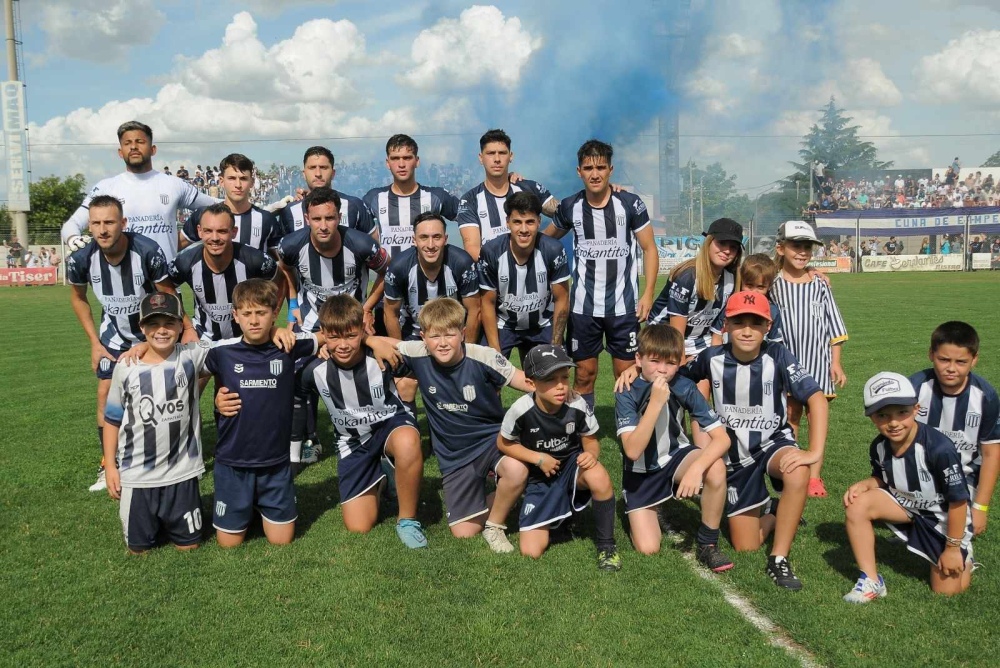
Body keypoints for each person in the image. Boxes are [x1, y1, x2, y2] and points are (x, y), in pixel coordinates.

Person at [680, 291, 828, 590]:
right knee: (746, 545)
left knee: (796, 471)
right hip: (734, 456)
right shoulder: (712, 358)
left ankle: (779, 559)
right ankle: (775, 509)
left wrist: (813, 453)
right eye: (739, 322)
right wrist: (637, 369)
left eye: (756, 323)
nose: (747, 330)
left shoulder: (778, 356)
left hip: (773, 443)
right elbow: (678, 376)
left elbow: (817, 399)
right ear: (726, 325)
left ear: (768, 326)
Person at [387, 297, 532, 552]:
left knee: (516, 469)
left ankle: (496, 525)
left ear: (463, 334)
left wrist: (558, 389)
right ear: (423, 337)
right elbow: (384, 344)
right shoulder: (418, 354)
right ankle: (510, 497)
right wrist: (367, 339)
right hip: (455, 456)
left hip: (491, 442)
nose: (442, 343)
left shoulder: (483, 356)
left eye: (450, 335)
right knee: (463, 532)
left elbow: (523, 380)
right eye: (434, 336)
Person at [66, 195, 189, 492]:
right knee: (106, 391)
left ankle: (175, 456)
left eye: (109, 222)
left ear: (123, 223)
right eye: (95, 223)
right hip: (113, 337)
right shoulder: (81, 259)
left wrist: (182, 330)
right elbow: (78, 298)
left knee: (164, 392)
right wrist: (95, 342)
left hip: (154, 334)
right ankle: (109, 463)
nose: (102, 229)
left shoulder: (147, 251)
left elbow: (170, 295)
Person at [296, 295, 427, 547]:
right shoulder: (314, 371)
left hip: (390, 424)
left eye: (351, 336)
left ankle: (407, 520)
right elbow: (287, 392)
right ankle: (384, 479)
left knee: (409, 442)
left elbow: (422, 360)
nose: (343, 345)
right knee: (359, 527)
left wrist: (372, 339)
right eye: (334, 337)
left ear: (361, 331)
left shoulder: (381, 356)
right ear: (323, 334)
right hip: (352, 441)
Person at [277, 187, 390, 464]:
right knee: (296, 375)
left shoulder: (361, 244)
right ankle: (308, 440)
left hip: (351, 324)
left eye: (329, 218)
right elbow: (285, 268)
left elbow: (389, 270)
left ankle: (374, 435)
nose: (323, 225)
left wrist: (366, 308)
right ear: (307, 219)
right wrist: (292, 304)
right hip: (312, 322)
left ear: (339, 217)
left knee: (365, 374)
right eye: (317, 219)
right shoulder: (291, 245)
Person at [544, 139, 659, 409]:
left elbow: (649, 248)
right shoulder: (571, 207)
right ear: (579, 172)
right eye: (588, 168)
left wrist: (648, 294)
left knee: (626, 373)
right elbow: (545, 242)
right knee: (584, 375)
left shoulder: (630, 204)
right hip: (584, 310)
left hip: (624, 309)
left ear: (610, 170)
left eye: (600, 167)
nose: (594, 174)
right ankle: (584, 432)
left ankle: (629, 433)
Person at [843, 372, 973, 602]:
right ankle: (871, 579)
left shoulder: (940, 449)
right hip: (906, 507)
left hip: (941, 518)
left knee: (948, 590)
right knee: (858, 505)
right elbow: (883, 477)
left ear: (916, 409)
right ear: (872, 417)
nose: (893, 423)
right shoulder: (879, 447)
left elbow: (958, 501)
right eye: (883, 415)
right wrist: (867, 483)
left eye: (902, 413)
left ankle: (965, 555)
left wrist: (953, 549)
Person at [614, 325, 733, 571]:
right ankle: (647, 503)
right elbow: (633, 451)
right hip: (640, 471)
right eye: (654, 361)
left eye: (670, 363)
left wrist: (696, 468)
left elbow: (722, 439)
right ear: (639, 359)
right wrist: (656, 402)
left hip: (676, 457)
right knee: (648, 549)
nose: (662, 369)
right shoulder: (626, 390)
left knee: (716, 467)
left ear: (679, 363)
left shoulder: (684, 386)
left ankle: (708, 544)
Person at [101, 293, 210, 554]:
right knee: (139, 551)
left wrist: (275, 330)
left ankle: (170, 518)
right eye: (153, 324)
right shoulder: (126, 366)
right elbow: (112, 419)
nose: (161, 330)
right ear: (142, 327)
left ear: (180, 326)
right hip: (137, 476)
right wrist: (110, 467)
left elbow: (237, 346)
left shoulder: (191, 356)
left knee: (190, 546)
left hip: (182, 474)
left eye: (169, 323)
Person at [497, 344, 621, 570]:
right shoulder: (520, 410)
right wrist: (538, 458)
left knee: (599, 476)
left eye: (564, 377)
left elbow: (590, 439)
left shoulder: (577, 403)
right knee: (531, 551)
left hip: (571, 469)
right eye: (550, 380)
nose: (561, 386)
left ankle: (607, 546)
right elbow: (504, 443)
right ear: (531, 383)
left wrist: (591, 455)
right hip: (539, 479)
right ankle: (562, 518)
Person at [61, 121, 219, 263]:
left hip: (166, 287)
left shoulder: (174, 185)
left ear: (153, 149)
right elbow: (72, 224)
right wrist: (73, 238)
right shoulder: (106, 187)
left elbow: (215, 206)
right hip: (124, 288)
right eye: (127, 143)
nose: (133, 147)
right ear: (120, 152)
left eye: (140, 142)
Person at [769, 221, 847, 498]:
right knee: (790, 418)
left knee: (817, 419)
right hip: (787, 364)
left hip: (818, 363)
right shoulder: (773, 284)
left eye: (807, 247)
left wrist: (835, 362)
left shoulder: (819, 284)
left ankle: (814, 476)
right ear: (781, 248)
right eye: (796, 246)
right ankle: (790, 468)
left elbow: (833, 325)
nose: (802, 252)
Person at [909, 322, 1000, 536]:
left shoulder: (986, 397)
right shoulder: (914, 387)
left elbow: (991, 454)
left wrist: (980, 507)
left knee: (955, 529)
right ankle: (915, 521)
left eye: (961, 362)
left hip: (963, 477)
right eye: (944, 359)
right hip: (918, 473)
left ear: (974, 359)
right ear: (931, 354)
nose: (951, 368)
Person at [383, 212, 480, 412]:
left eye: (436, 237)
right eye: (423, 237)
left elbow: (474, 310)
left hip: (452, 334)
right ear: (414, 240)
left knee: (460, 383)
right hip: (414, 332)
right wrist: (401, 351)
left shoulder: (462, 263)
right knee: (405, 385)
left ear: (445, 239)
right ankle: (409, 429)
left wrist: (466, 350)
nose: (430, 244)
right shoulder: (399, 266)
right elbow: (390, 313)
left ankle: (457, 429)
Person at [479, 191, 570, 361]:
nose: (523, 229)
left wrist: (556, 345)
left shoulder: (554, 250)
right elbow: (487, 302)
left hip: (542, 324)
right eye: (517, 222)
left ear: (539, 222)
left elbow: (562, 298)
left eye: (530, 222)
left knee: (552, 378)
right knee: (489, 377)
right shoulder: (491, 252)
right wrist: (495, 350)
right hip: (503, 324)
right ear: (508, 223)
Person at [169, 203, 278, 342]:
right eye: (208, 231)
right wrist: (188, 327)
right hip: (203, 338)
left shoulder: (255, 259)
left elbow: (278, 278)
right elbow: (166, 289)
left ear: (234, 232)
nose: (214, 238)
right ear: (199, 231)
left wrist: (271, 323)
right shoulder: (184, 262)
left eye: (222, 231)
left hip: (245, 340)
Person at [457, 129, 558, 260]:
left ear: (511, 156)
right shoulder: (469, 200)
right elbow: (472, 248)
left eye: (502, 153)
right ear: (481, 158)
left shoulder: (529, 188)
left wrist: (541, 239)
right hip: (493, 276)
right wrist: (507, 268)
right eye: (491, 153)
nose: (497, 159)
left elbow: (564, 213)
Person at [649, 217, 742, 358]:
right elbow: (676, 333)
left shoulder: (732, 279)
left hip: (700, 342)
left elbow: (717, 332)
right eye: (722, 243)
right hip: (664, 339)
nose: (727, 251)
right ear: (708, 242)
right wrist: (682, 364)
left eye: (733, 247)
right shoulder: (687, 277)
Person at [180, 154, 284, 255]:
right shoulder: (203, 215)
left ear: (252, 182)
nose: (238, 185)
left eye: (243, 179)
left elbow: (282, 264)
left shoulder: (266, 219)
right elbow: (175, 245)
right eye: (232, 178)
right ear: (221, 181)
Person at [277, 146, 377, 236]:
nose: (318, 173)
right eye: (312, 168)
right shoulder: (289, 211)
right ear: (304, 174)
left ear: (333, 173)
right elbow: (282, 252)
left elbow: (373, 245)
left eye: (323, 168)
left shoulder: (354, 205)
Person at [710, 253, 783, 346]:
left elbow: (775, 344)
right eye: (749, 285)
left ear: (769, 287)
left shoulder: (772, 311)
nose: (754, 292)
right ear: (742, 281)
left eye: (760, 287)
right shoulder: (731, 305)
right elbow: (717, 337)